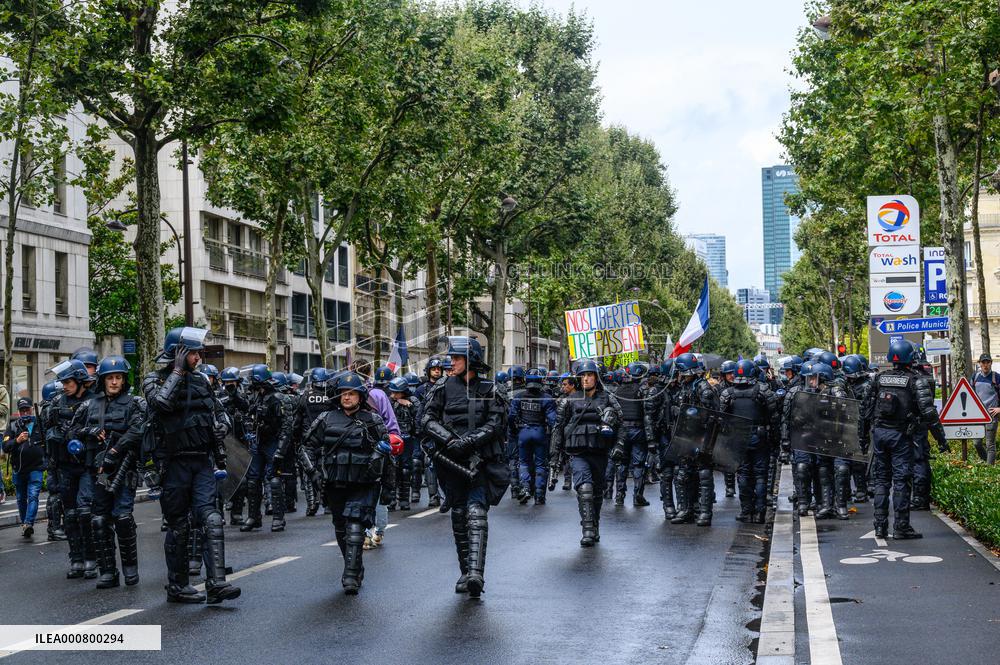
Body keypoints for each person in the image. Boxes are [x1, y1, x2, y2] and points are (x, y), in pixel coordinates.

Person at [144, 326, 240, 603]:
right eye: (193, 352)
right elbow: (160, 404)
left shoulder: (202, 381)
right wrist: (176, 371)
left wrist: (222, 426)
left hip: (202, 461)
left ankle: (216, 583)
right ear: (179, 353)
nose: (199, 357)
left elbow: (219, 413)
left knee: (210, 518)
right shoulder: (153, 379)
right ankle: (178, 586)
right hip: (173, 464)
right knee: (179, 526)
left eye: (199, 352)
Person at [420, 337, 506, 597]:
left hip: (480, 462)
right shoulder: (443, 387)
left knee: (476, 513)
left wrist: (469, 441)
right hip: (450, 462)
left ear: (471, 360)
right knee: (459, 515)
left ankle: (476, 574)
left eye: (456, 358)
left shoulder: (490, 388)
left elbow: (496, 423)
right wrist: (448, 440)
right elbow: (426, 418)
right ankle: (464, 572)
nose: (451, 362)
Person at [305, 372, 395, 595]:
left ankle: (351, 576)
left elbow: (388, 455)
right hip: (335, 483)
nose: (347, 397)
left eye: (352, 393)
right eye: (344, 393)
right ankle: (354, 565)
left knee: (356, 527)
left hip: (364, 483)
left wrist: (389, 489)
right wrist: (314, 474)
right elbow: (306, 448)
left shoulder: (373, 420)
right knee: (341, 528)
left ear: (360, 396)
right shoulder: (326, 419)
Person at [69, 356, 145, 588]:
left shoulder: (135, 403)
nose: (114, 382)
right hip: (97, 471)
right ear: (103, 380)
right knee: (99, 520)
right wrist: (89, 431)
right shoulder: (89, 405)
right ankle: (108, 572)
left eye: (118, 377)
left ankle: (130, 570)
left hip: (123, 470)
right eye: (110, 378)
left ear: (124, 380)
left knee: (122, 518)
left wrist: (115, 450)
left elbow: (140, 429)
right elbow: (71, 431)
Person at [861, 340, 940, 539]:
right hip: (901, 438)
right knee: (901, 481)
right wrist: (941, 439)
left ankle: (879, 527)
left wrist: (862, 438)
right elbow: (929, 414)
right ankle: (901, 527)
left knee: (881, 480)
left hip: (879, 436)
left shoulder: (878, 379)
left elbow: (865, 411)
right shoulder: (916, 381)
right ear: (910, 358)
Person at [550, 359, 623, 546]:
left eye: (589, 375)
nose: (586, 379)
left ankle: (594, 524)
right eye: (582, 376)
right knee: (585, 489)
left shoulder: (608, 398)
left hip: (600, 452)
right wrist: (554, 457)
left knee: (598, 492)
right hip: (578, 453)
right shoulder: (568, 401)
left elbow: (622, 424)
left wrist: (619, 446)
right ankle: (588, 529)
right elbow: (558, 430)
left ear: (596, 378)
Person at [45, 359, 97, 579]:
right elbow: (46, 431)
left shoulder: (94, 401)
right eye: (63, 382)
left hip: (86, 465)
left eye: (68, 381)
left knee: (85, 512)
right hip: (65, 465)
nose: (64, 385)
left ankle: (91, 559)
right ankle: (76, 559)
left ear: (79, 380)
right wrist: (57, 436)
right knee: (71, 514)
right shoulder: (57, 403)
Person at [720, 360, 777, 523]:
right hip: (760, 438)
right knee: (760, 475)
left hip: (739, 439)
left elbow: (722, 420)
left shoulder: (728, 394)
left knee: (743, 474)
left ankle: (746, 510)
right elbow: (774, 418)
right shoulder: (763, 391)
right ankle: (759, 513)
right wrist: (776, 440)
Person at [672, 353, 719, 526]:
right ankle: (686, 510)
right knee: (684, 474)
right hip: (686, 437)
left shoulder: (703, 388)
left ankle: (705, 512)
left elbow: (713, 415)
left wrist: (697, 419)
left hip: (701, 436)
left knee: (704, 475)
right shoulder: (685, 386)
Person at [241, 365, 289, 532]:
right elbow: (248, 415)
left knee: (274, 479)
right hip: (258, 442)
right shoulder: (256, 397)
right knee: (252, 480)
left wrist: (280, 450)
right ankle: (254, 517)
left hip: (272, 442)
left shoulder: (277, 399)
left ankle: (278, 517)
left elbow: (285, 426)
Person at [508, 368, 557, 505]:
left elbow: (511, 417)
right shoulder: (546, 398)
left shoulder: (519, 397)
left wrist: (514, 431)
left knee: (523, 462)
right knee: (541, 464)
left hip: (523, 432)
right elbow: (553, 421)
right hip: (540, 432)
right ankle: (540, 494)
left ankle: (525, 488)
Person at [610, 362, 655, 507]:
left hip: (622, 432)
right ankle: (637, 496)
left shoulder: (618, 391)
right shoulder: (643, 391)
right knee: (638, 465)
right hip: (638, 430)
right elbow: (648, 413)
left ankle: (619, 496)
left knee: (622, 464)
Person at [291, 367, 332, 517]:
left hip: (308, 439)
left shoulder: (305, 396)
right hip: (327, 439)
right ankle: (327, 503)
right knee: (326, 470)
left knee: (309, 472)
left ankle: (311, 503)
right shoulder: (331, 397)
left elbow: (297, 421)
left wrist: (295, 439)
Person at [3, 398, 45, 538]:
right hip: (18, 469)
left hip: (36, 468)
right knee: (21, 498)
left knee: (33, 496)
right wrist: (17, 440)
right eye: (22, 410)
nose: (25, 412)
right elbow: (5, 447)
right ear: (19, 412)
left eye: (27, 409)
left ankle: (28, 523)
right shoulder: (13, 426)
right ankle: (24, 524)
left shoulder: (40, 423)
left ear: (32, 409)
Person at [39, 381, 67, 541]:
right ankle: (55, 528)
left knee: (56, 492)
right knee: (56, 493)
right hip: (55, 457)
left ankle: (55, 526)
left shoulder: (46, 409)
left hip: (51, 456)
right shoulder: (51, 409)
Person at [387, 376, 417, 511]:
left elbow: (421, 416)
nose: (393, 395)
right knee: (392, 468)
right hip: (392, 438)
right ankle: (391, 499)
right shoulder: (389, 401)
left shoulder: (413, 401)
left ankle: (404, 499)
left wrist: (409, 405)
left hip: (407, 438)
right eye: (392, 392)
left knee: (406, 469)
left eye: (396, 392)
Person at [972, 353, 1000, 465]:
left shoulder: (996, 377)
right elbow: (970, 394)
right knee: (976, 443)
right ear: (979, 364)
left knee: (990, 445)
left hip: (991, 416)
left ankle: (989, 470)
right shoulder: (975, 377)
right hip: (978, 415)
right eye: (983, 362)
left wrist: (999, 409)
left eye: (988, 362)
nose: (985, 365)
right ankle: (985, 462)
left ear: (991, 363)